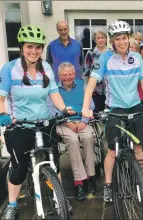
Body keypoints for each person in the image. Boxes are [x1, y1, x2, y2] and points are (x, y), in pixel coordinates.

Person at [0, 25, 74, 219]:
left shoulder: (45, 68)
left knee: (54, 163)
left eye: (38, 47)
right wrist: (1, 113)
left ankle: (58, 197)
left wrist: (64, 109)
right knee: (19, 168)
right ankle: (12, 204)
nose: (34, 51)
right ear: (22, 47)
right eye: (30, 46)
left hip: (44, 123)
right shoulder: (10, 69)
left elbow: (54, 92)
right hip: (19, 125)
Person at [81, 20, 143, 203]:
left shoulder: (137, 58)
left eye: (124, 38)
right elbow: (91, 83)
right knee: (113, 151)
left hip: (135, 107)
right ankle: (108, 185)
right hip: (114, 108)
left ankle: (140, 182)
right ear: (112, 41)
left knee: (138, 148)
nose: (122, 42)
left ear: (129, 39)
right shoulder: (105, 58)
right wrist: (85, 107)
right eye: (118, 39)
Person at [55, 62, 97, 201]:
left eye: (70, 74)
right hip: (63, 123)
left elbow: (91, 105)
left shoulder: (82, 85)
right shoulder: (54, 88)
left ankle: (90, 176)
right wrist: (68, 122)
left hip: (83, 120)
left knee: (88, 137)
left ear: (75, 74)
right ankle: (79, 181)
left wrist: (84, 121)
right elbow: (52, 110)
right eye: (64, 74)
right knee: (72, 140)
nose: (68, 77)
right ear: (60, 75)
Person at [84, 30, 108, 112]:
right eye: (98, 38)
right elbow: (85, 71)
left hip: (109, 91)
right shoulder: (90, 53)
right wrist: (89, 87)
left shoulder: (110, 53)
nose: (100, 40)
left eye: (102, 37)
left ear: (106, 39)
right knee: (95, 115)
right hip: (95, 91)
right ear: (95, 40)